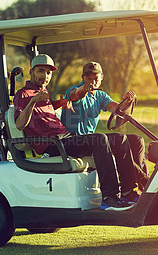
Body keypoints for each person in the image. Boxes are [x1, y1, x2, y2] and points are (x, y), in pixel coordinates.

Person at [13, 54, 139, 211]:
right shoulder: (23, 94)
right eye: (41, 71)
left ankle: (128, 192)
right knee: (99, 140)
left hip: (65, 139)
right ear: (31, 71)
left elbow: (46, 109)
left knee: (120, 139)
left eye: (48, 73)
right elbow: (19, 124)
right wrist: (33, 101)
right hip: (52, 145)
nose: (45, 76)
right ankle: (109, 197)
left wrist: (60, 103)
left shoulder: (42, 93)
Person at [61, 61, 149, 192]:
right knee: (117, 139)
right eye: (88, 79)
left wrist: (128, 102)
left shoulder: (100, 95)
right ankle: (143, 182)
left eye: (95, 78)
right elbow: (75, 94)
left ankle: (131, 190)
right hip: (75, 141)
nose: (92, 82)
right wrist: (83, 90)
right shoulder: (73, 91)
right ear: (83, 78)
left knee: (137, 141)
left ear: (101, 77)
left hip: (91, 141)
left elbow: (118, 110)